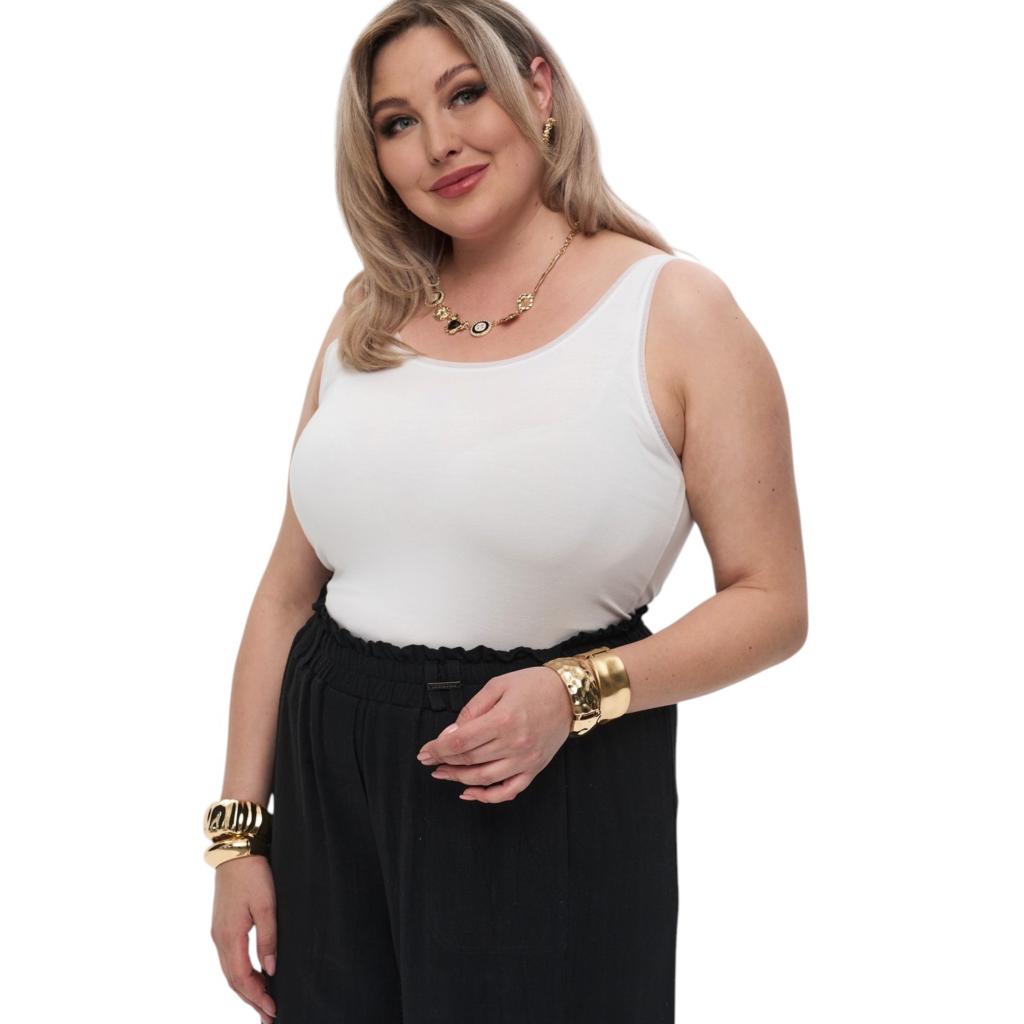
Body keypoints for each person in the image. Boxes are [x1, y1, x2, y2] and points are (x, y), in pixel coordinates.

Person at [205, 1, 808, 1021]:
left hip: (547, 775)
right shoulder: (366, 314)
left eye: (465, 93)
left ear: (539, 89)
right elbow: (285, 593)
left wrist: (575, 694)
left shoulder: (674, 311)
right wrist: (237, 838)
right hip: (329, 773)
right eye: (397, 122)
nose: (438, 143)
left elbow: (773, 601)